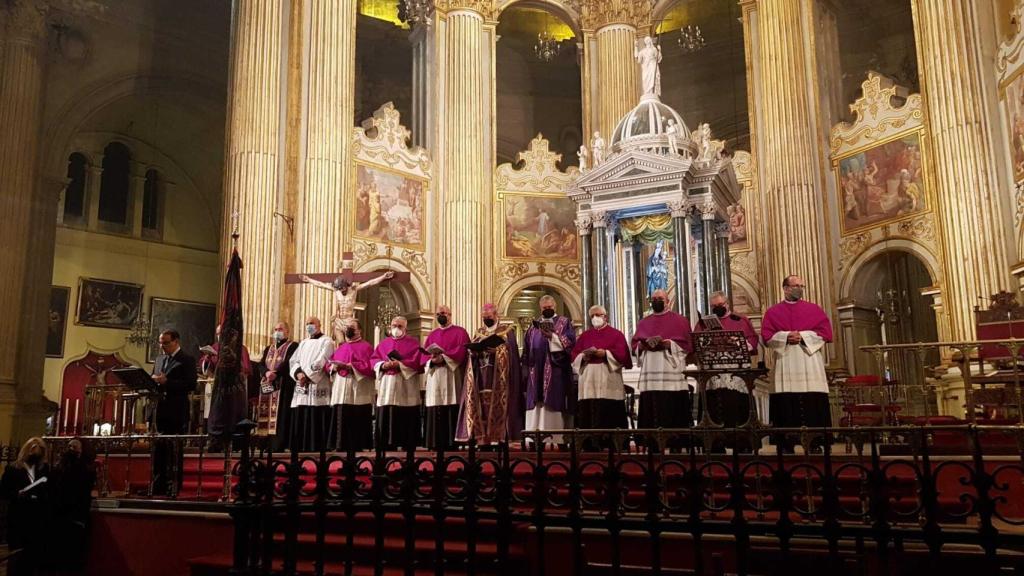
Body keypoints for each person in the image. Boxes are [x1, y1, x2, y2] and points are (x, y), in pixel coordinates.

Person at [762, 275, 834, 453]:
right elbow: (766, 336)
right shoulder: (773, 312)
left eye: (802, 285)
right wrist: (785, 336)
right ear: (785, 288)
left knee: (812, 401)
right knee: (786, 403)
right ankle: (786, 443)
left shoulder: (814, 309)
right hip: (785, 360)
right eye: (796, 286)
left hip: (809, 360)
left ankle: (815, 442)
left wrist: (803, 336)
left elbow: (826, 333)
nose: (800, 289)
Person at [694, 292, 759, 451]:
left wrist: (735, 341)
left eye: (720, 305)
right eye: (714, 306)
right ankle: (716, 444)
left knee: (735, 404)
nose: (718, 308)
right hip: (713, 374)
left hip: (735, 372)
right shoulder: (703, 323)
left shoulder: (740, 320)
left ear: (728, 304)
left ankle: (741, 443)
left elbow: (752, 341)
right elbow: (696, 342)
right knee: (714, 406)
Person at [630, 290, 694, 445]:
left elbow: (687, 345)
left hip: (670, 369)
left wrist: (668, 343)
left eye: (660, 298)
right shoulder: (644, 322)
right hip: (651, 368)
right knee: (652, 404)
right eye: (654, 299)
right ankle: (651, 441)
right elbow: (635, 345)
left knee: (673, 404)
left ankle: (676, 443)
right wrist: (642, 345)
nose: (657, 301)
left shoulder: (680, 321)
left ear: (668, 301)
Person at [456, 303, 524, 446]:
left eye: (489, 317)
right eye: (484, 317)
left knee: (497, 405)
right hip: (481, 376)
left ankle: (498, 438)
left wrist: (498, 352)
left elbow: (512, 354)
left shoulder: (507, 331)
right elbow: (472, 352)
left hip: (499, 379)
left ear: (496, 315)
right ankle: (481, 438)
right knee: (482, 407)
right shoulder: (479, 332)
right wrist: (473, 352)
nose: (486, 319)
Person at [572, 305, 632, 444]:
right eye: (592, 316)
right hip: (588, 379)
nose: (595, 318)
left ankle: (613, 443)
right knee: (589, 409)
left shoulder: (616, 334)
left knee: (609, 409)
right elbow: (574, 354)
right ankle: (590, 444)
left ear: (605, 317)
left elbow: (622, 354)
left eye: (597, 315)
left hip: (608, 376)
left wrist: (605, 353)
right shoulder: (585, 335)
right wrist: (583, 356)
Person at [523, 295, 576, 447]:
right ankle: (533, 436)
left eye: (549, 307)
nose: (547, 310)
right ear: (540, 308)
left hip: (555, 370)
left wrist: (552, 336)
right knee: (536, 402)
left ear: (555, 307)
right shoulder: (534, 326)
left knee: (553, 401)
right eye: (544, 308)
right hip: (535, 371)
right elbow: (526, 350)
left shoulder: (564, 322)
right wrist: (527, 370)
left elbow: (570, 343)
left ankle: (556, 438)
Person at [151, 329, 198, 495]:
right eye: (161, 342)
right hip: (160, 409)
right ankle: (158, 484)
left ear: (176, 341)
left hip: (177, 409)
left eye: (166, 342)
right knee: (159, 448)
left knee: (174, 448)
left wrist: (167, 382)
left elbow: (191, 384)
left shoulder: (187, 360)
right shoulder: (159, 359)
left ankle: (174, 484)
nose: (162, 346)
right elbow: (153, 378)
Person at [371, 316, 426, 451]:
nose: (396, 328)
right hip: (387, 385)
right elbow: (374, 359)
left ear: (406, 328)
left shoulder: (413, 343)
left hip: (405, 385)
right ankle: (386, 444)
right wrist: (383, 365)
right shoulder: (383, 344)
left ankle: (407, 444)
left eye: (400, 326)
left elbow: (418, 362)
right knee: (387, 413)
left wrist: (400, 364)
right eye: (394, 325)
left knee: (405, 415)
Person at [422, 305, 471, 451]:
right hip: (435, 376)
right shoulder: (432, 334)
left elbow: (462, 350)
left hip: (451, 374)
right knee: (434, 405)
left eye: (443, 313)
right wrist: (432, 360)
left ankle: (452, 442)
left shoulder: (460, 332)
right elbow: (424, 354)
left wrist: (443, 357)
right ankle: (434, 442)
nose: (440, 316)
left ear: (450, 315)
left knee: (451, 404)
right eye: (438, 314)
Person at [298, 269, 394, 342]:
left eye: (342, 288)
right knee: (341, 343)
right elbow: (320, 284)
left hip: (349, 320)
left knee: (350, 342)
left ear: (346, 286)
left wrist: (383, 277)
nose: (341, 290)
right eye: (339, 289)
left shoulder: (354, 289)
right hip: (339, 320)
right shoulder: (336, 290)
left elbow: (370, 283)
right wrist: (308, 279)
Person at [1, 438, 49, 576]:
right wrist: (17, 494)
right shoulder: (13, 469)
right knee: (16, 557)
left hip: (36, 520)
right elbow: (4, 491)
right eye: (34, 448)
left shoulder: (44, 470)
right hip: (18, 517)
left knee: (31, 559)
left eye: (40, 449)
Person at [50, 438, 97, 574]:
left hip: (76, 515)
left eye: (75, 447)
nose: (71, 449)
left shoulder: (85, 469)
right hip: (60, 515)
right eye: (69, 446)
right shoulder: (60, 467)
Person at [327, 318, 375, 452]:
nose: (348, 329)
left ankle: (358, 444)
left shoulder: (367, 347)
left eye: (352, 327)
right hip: (341, 386)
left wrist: (351, 366)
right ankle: (339, 444)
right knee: (341, 413)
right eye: (347, 326)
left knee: (356, 415)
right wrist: (333, 368)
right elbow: (329, 364)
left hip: (358, 387)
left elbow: (371, 366)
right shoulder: (341, 347)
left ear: (359, 330)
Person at [289, 316, 336, 452]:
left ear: (319, 325)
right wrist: (298, 374)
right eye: (307, 323)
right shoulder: (303, 343)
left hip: (317, 383)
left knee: (317, 413)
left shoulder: (327, 341)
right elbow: (294, 361)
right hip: (302, 383)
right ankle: (302, 446)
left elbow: (322, 360)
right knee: (302, 411)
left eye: (312, 323)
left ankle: (318, 446)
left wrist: (307, 376)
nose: (309, 326)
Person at [256, 321, 298, 452]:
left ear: (287, 331)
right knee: (266, 414)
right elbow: (261, 364)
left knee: (280, 415)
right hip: (267, 386)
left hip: (283, 386)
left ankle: (277, 445)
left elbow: (289, 362)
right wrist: (266, 372)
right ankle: (265, 444)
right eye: (275, 329)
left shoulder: (293, 346)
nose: (277, 331)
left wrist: (276, 373)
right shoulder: (269, 348)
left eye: (280, 329)